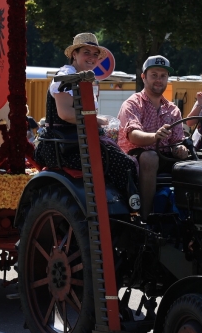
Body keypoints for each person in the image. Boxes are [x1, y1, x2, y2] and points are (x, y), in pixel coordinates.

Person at [34, 33, 139, 211]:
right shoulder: (65, 76)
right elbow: (66, 113)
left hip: (79, 142)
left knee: (129, 160)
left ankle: (125, 206)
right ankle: (130, 209)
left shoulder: (82, 78)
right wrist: (97, 120)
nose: (91, 57)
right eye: (86, 52)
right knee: (124, 164)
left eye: (95, 54)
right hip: (65, 146)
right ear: (74, 54)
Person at [118, 54, 186, 217]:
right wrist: (155, 136)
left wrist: (180, 149)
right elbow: (133, 135)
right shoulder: (133, 103)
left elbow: (177, 141)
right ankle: (145, 218)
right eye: (154, 75)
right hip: (134, 157)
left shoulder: (173, 109)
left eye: (163, 76)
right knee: (150, 157)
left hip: (164, 156)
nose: (159, 80)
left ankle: (189, 217)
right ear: (143, 77)